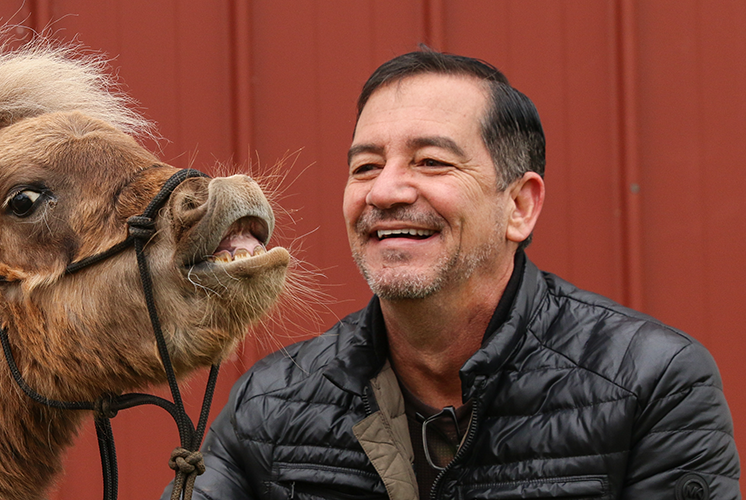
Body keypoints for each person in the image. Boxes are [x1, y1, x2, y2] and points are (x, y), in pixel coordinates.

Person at [166, 48, 741, 499]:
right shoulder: (271, 403)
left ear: (519, 206)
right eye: (365, 166)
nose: (384, 191)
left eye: (431, 162)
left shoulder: (652, 384)